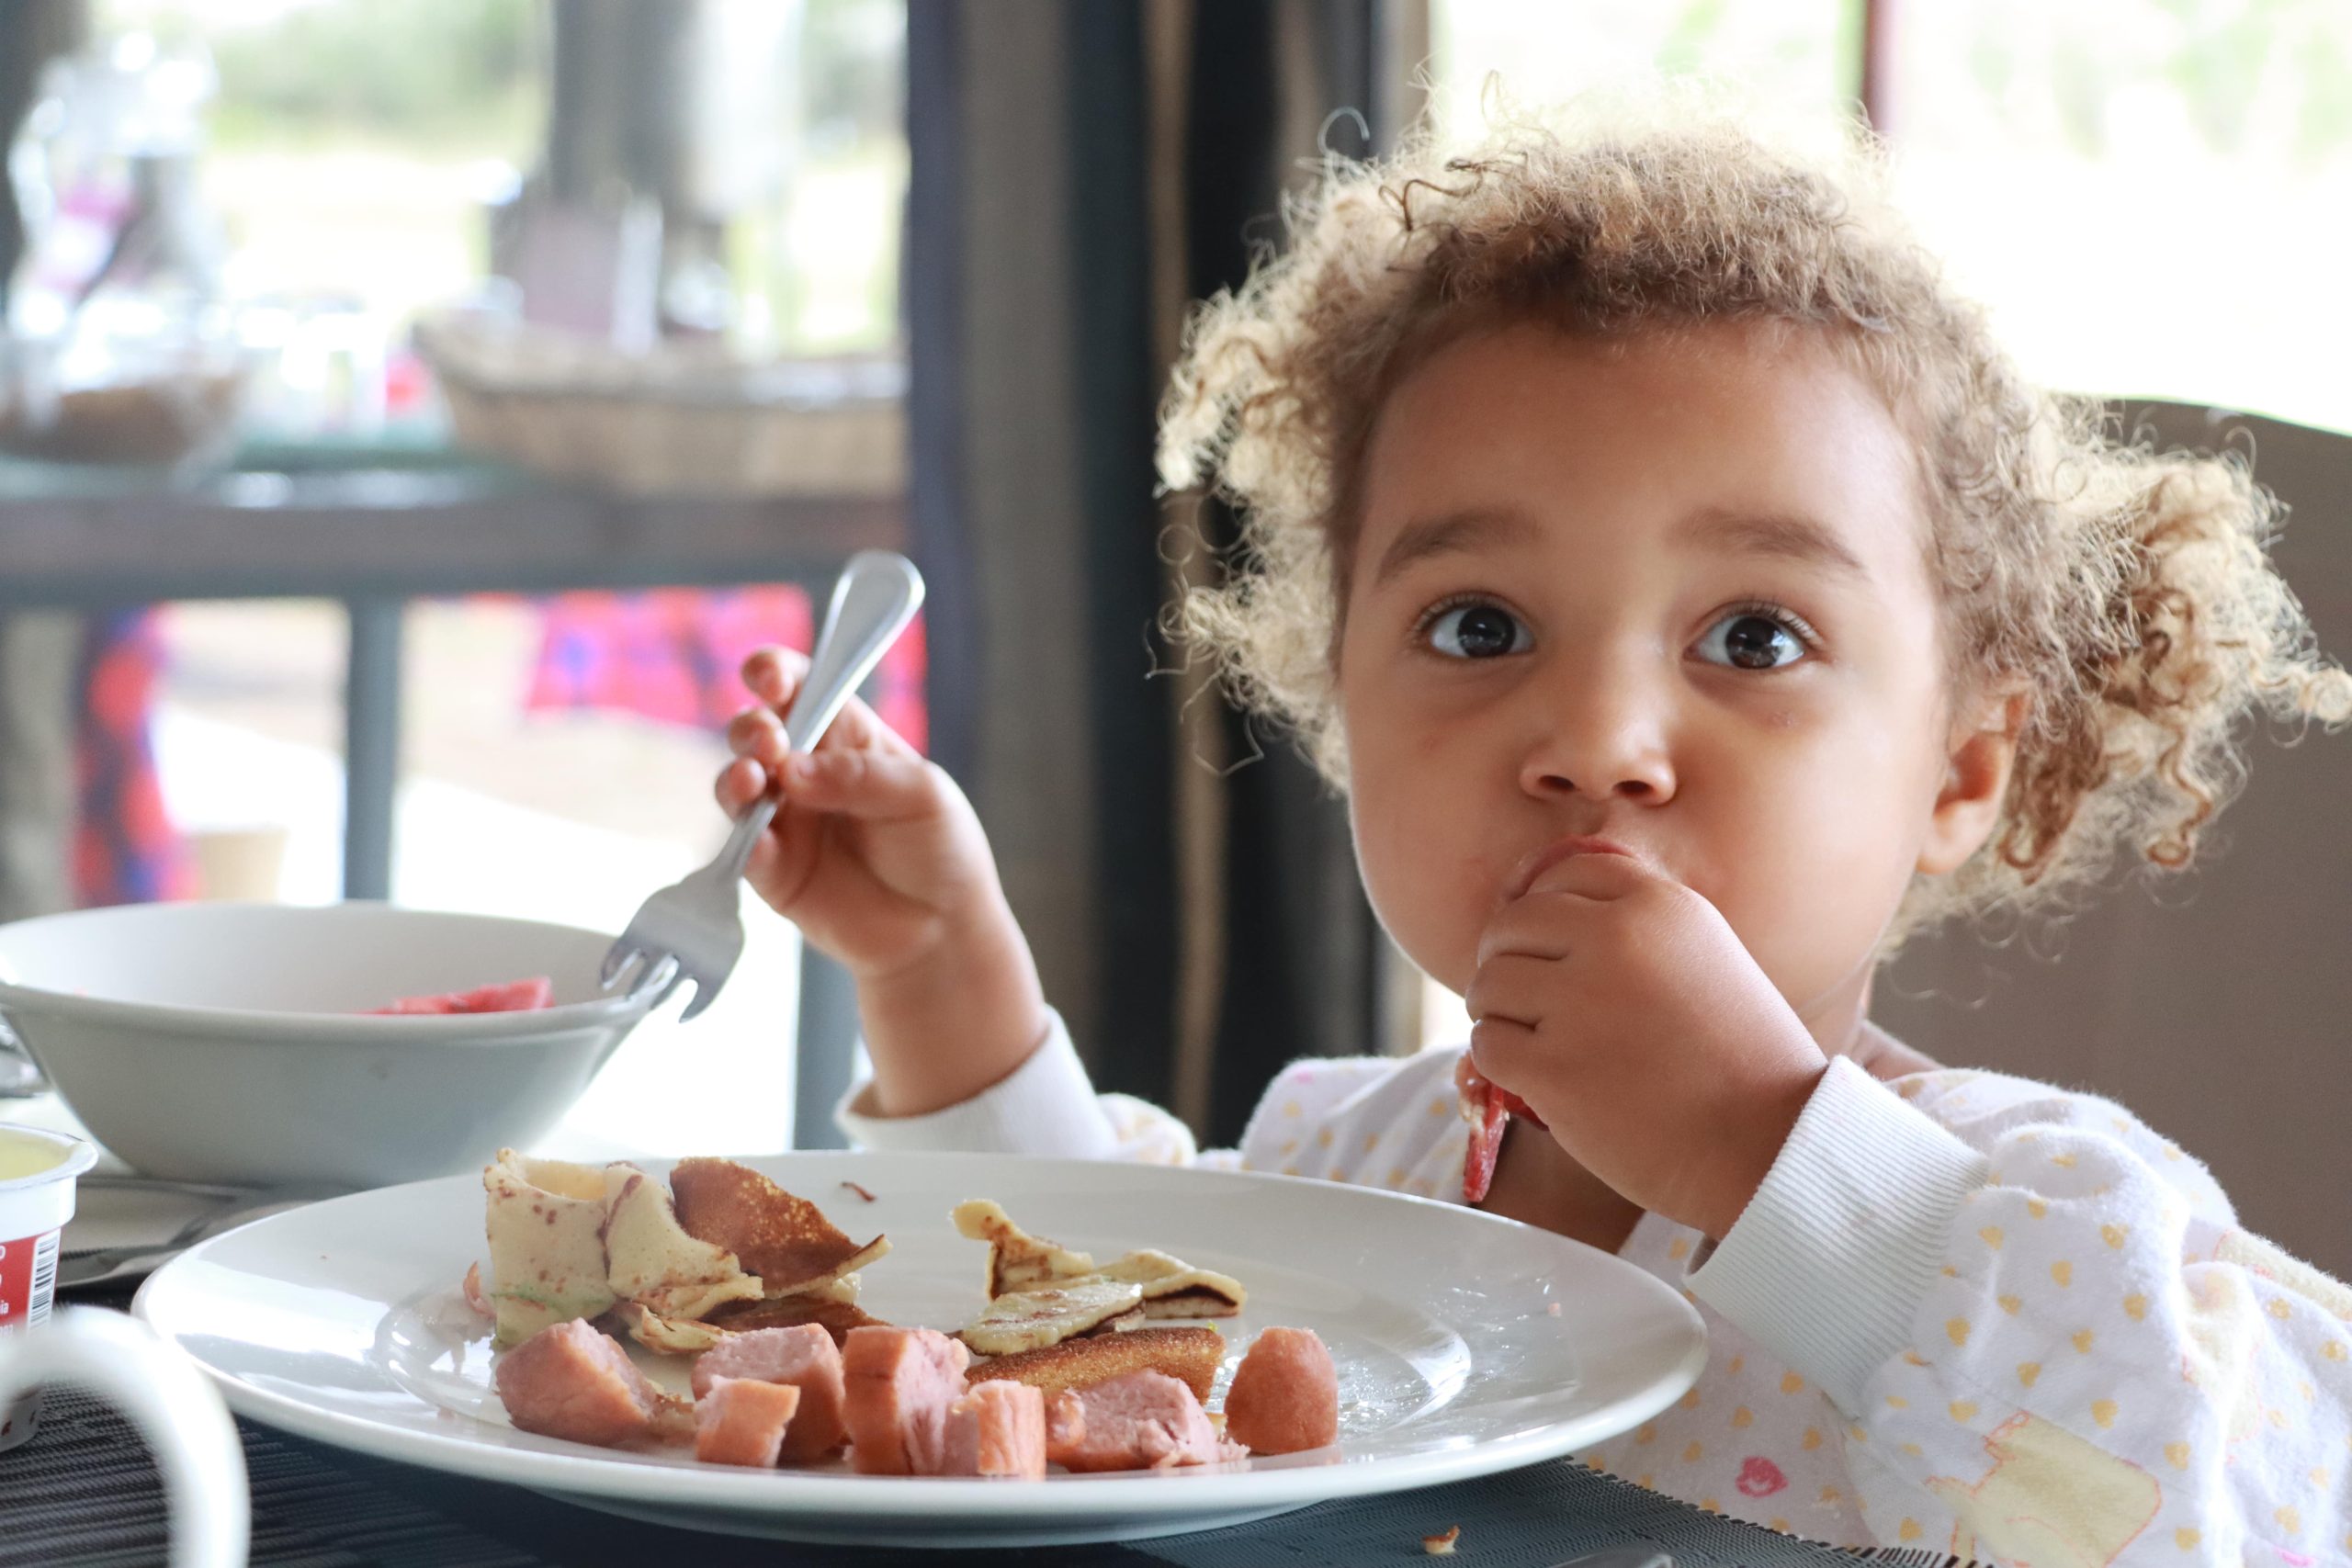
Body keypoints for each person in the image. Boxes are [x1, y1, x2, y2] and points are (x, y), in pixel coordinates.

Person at [713, 93, 2352, 1564]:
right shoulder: (1344, 1170)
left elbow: (2182, 1514)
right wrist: (939, 976)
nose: (1595, 744)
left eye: (1754, 638)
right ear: (1340, 695)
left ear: (1962, 770)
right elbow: (1089, 1370)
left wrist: (1762, 1148)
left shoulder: (2036, 1245)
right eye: (1480, 627)